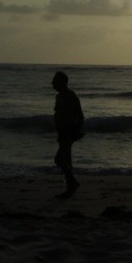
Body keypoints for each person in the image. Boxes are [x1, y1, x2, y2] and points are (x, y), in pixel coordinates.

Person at [51, 70, 84, 199]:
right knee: (67, 161)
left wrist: (77, 131)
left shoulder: (71, 96)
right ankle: (70, 189)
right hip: (61, 132)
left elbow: (80, 116)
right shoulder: (59, 96)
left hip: (69, 132)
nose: (52, 83)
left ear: (63, 82)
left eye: (55, 80)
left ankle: (74, 183)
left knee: (59, 160)